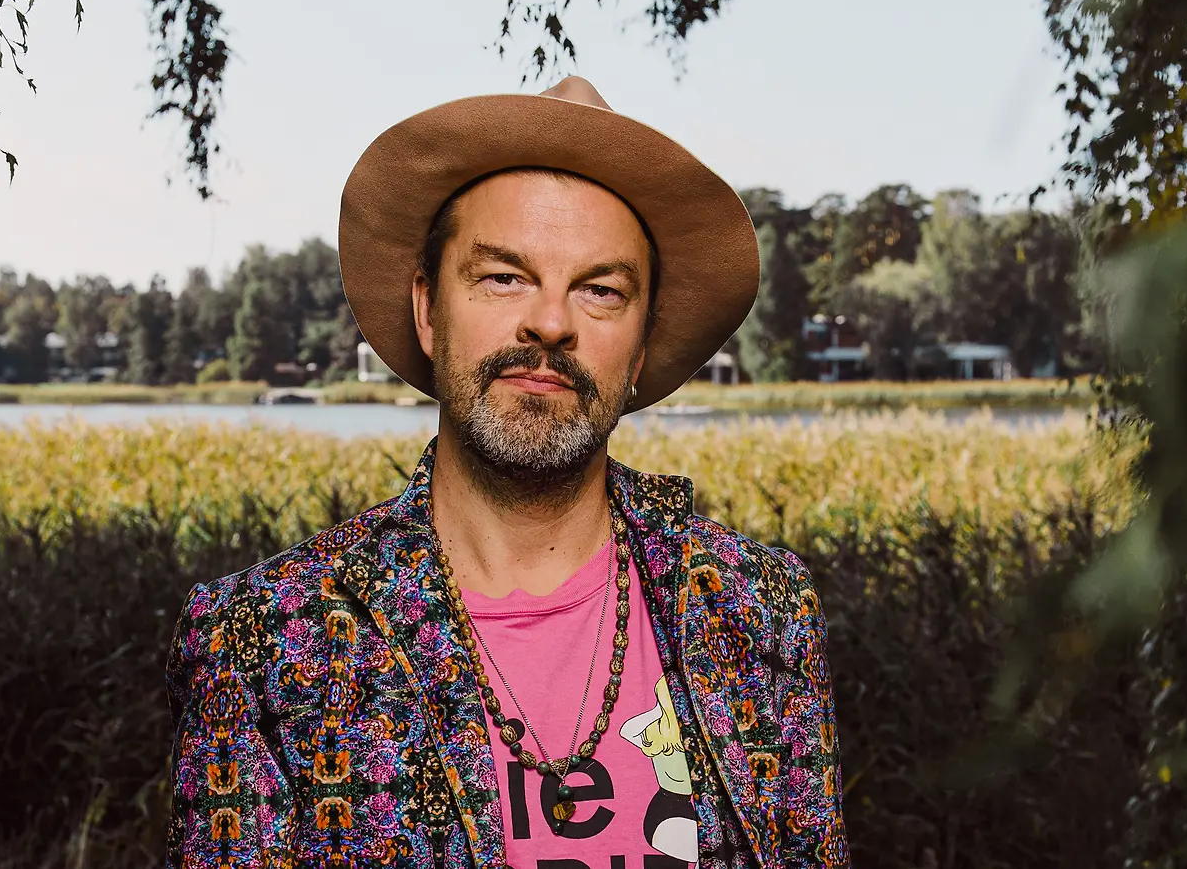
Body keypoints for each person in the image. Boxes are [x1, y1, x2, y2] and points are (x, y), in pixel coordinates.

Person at [164, 76, 848, 869]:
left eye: (600, 290)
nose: (550, 322)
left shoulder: (761, 610)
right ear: (428, 311)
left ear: (639, 349)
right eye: (503, 277)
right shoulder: (262, 639)